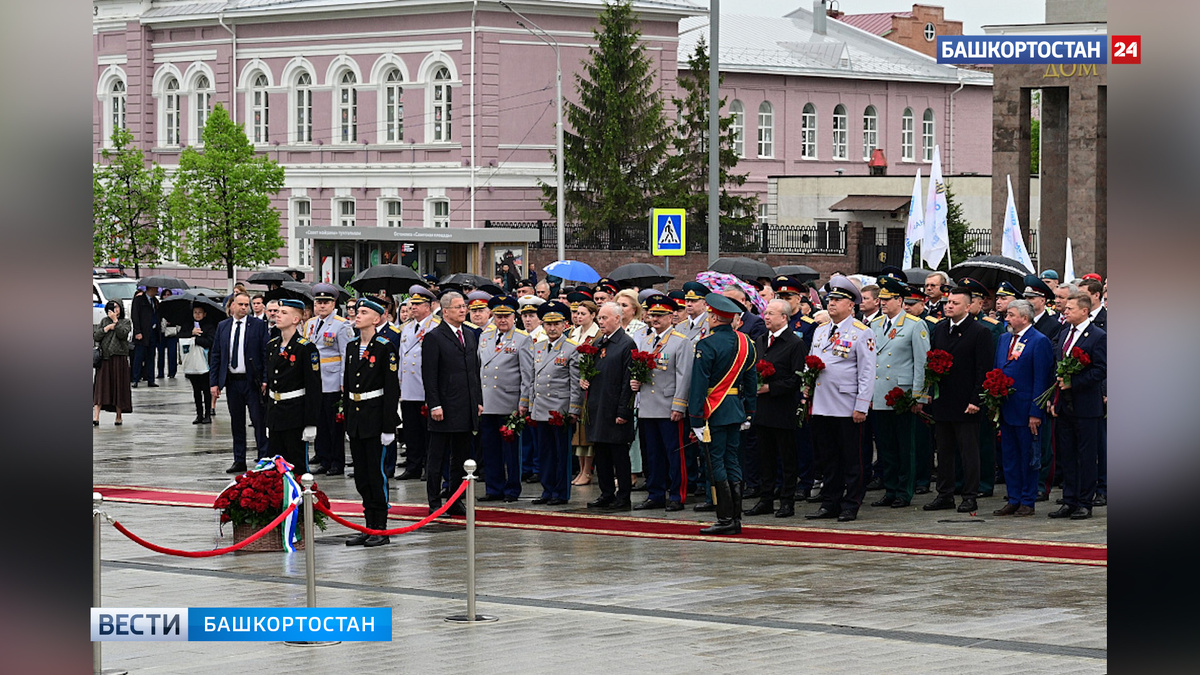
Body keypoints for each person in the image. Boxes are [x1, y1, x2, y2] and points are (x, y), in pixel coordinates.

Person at [804, 277, 876, 523]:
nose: (831, 303)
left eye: (837, 300)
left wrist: (861, 405)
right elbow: (813, 364)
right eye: (830, 299)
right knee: (828, 457)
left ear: (851, 305)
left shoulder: (861, 332)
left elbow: (867, 372)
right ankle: (830, 502)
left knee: (852, 458)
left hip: (846, 404)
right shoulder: (821, 330)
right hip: (822, 403)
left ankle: (851, 503)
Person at [688, 293, 758, 535]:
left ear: (715, 317)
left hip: (713, 410)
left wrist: (695, 417)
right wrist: (749, 411)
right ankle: (735, 518)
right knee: (732, 461)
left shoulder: (707, 344)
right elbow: (751, 380)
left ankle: (725, 518)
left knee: (715, 462)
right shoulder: (745, 343)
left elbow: (698, 384)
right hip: (736, 410)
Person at [922, 288, 993, 514]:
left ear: (967, 307)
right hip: (943, 400)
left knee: (968, 451)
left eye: (954, 303)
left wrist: (976, 400)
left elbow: (983, 369)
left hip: (966, 402)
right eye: (947, 302)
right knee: (944, 451)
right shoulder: (941, 329)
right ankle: (945, 494)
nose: (948, 306)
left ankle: (970, 495)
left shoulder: (979, 332)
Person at [867, 277, 930, 509]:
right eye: (881, 299)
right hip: (880, 392)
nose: (882, 303)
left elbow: (922, 362)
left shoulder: (914, 324)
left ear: (899, 300)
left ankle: (905, 490)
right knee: (885, 447)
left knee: (905, 446)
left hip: (902, 393)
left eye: (887, 299)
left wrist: (919, 396)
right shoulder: (875, 325)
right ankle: (890, 488)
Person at [342, 297, 400, 547]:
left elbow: (391, 389)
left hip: (376, 418)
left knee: (377, 476)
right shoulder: (352, 346)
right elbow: (347, 386)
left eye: (363, 312)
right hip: (357, 417)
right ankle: (368, 526)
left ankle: (380, 529)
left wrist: (389, 427)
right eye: (357, 311)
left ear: (377, 319)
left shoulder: (385, 347)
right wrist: (347, 420)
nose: (357, 315)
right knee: (362, 477)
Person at [629, 294, 694, 512]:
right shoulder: (646, 341)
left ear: (672, 317)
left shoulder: (680, 341)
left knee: (674, 454)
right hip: (648, 404)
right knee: (653, 455)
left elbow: (684, 376)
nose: (654, 319)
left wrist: (679, 406)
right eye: (652, 314)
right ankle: (655, 493)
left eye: (660, 315)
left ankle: (677, 495)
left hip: (668, 405)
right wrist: (636, 382)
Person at [423, 291, 484, 516]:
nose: (463, 310)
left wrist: (477, 401)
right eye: (458, 307)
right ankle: (434, 501)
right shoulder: (434, 337)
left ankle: (455, 498)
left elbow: (474, 371)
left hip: (465, 405)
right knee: (437, 456)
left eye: (463, 306)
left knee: (460, 456)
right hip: (444, 406)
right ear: (445, 311)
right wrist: (434, 404)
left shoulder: (469, 334)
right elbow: (429, 375)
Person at [1047, 292, 1107, 520]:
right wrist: (1055, 398)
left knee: (1086, 455)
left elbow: (1101, 369)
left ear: (1084, 311)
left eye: (1070, 308)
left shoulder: (1097, 336)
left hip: (1086, 405)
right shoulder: (1063, 334)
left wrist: (1075, 382)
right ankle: (1069, 499)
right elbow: (1058, 367)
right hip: (1065, 406)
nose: (1065, 311)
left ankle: (1085, 501)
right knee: (1068, 454)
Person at [745, 299, 806, 518]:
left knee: (787, 458)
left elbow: (797, 378)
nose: (766, 317)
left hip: (783, 409)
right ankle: (766, 499)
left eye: (771, 313)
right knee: (766, 457)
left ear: (784, 317)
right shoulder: (761, 340)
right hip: (763, 410)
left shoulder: (794, 343)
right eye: (765, 313)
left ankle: (787, 501)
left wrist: (771, 387)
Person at [992, 299, 1054, 517]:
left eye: (1011, 315)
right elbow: (997, 371)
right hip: (1007, 409)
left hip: (1027, 411)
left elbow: (1041, 379)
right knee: (1009, 457)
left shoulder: (1039, 341)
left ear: (1024, 318)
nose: (1006, 318)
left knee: (1028, 457)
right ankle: (1014, 497)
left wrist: (1035, 412)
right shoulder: (1003, 339)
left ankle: (1028, 499)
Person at [477, 295, 534, 503]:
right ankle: (494, 487)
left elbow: (527, 373)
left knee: (511, 450)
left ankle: (512, 489)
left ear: (514, 317)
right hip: (487, 400)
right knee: (490, 448)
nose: (502, 320)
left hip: (509, 401)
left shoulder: (522, 338)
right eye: (499, 316)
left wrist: (524, 401)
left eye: (507, 316)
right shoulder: (485, 336)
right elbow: (479, 368)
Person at [526, 301, 583, 504]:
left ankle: (560, 492)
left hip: (560, 408)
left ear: (564, 325)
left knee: (561, 453)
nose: (551, 328)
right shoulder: (538, 347)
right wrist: (530, 406)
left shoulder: (571, 348)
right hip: (541, 408)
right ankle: (547, 489)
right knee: (545, 452)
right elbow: (533, 378)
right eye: (548, 324)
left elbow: (575, 382)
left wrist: (574, 409)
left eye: (556, 324)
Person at [583, 302, 637, 510]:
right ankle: (606, 493)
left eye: (605, 318)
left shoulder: (626, 344)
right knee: (601, 453)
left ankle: (623, 496)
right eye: (600, 318)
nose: (601, 321)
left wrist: (624, 410)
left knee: (618, 455)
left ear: (618, 318)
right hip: (598, 406)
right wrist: (584, 379)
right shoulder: (599, 343)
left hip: (615, 408)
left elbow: (628, 380)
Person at [209, 292, 271, 474]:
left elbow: (265, 355)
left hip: (252, 381)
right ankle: (239, 459)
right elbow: (216, 355)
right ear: (232, 306)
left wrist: (265, 379)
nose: (244, 308)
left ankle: (264, 458)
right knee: (237, 422)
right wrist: (214, 382)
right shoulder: (223, 326)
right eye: (241, 304)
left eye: (247, 305)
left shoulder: (258, 326)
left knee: (258, 421)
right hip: (232, 381)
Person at [264, 299, 322, 473]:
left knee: (297, 467)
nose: (277, 315)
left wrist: (311, 422)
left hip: (295, 415)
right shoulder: (272, 345)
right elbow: (272, 384)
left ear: (296, 319)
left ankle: (301, 500)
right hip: (276, 413)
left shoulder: (305, 348)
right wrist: (269, 419)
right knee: (275, 467)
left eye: (283, 313)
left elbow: (313, 387)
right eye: (277, 312)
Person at [304, 284, 354, 476]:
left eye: (325, 302)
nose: (321, 306)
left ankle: (336, 461)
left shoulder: (342, 325)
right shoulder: (310, 324)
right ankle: (323, 459)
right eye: (318, 302)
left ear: (333, 304)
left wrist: (344, 381)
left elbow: (345, 354)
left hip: (333, 380)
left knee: (334, 425)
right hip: (316, 382)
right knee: (320, 424)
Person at [395, 285, 440, 481]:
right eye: (412, 304)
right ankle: (413, 465)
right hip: (408, 387)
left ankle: (429, 466)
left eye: (418, 304)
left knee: (427, 431)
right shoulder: (406, 328)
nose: (413, 307)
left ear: (428, 306)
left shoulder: (436, 327)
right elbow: (402, 356)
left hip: (424, 386)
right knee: (411, 430)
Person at [568, 294, 600, 485]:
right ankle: (580, 470)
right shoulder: (573, 333)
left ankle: (587, 471)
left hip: (589, 385)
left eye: (583, 313)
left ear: (592, 315)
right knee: (577, 431)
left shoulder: (596, 335)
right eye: (576, 313)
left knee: (586, 431)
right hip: (574, 384)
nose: (579, 317)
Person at [93, 300, 132, 426]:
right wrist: (106, 328)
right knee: (101, 386)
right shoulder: (104, 321)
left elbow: (123, 334)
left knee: (118, 386)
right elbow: (96, 336)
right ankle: (96, 416)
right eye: (112, 307)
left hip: (119, 358)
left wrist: (116, 321)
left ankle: (119, 416)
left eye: (117, 307)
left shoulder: (126, 321)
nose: (115, 309)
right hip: (104, 358)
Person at [183, 304, 217, 424]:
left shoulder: (209, 326)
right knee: (196, 390)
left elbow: (211, 341)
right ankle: (199, 414)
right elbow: (181, 338)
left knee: (206, 389)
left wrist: (197, 339)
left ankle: (207, 413)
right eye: (195, 312)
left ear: (204, 314)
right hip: (192, 363)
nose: (197, 315)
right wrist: (191, 334)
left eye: (200, 312)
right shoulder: (187, 325)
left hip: (205, 362)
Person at [130, 285, 160, 388]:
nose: (157, 290)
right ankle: (135, 379)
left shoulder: (155, 301)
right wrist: (137, 331)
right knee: (139, 357)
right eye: (155, 288)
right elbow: (135, 316)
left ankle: (150, 379)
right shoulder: (139, 300)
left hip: (153, 332)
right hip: (142, 333)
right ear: (150, 288)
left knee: (151, 357)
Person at [156, 289, 180, 380]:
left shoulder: (175, 305)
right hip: (161, 332)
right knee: (160, 354)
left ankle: (172, 372)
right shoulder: (160, 305)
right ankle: (160, 372)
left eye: (169, 294)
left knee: (172, 353)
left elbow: (178, 318)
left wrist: (171, 321)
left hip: (172, 332)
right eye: (165, 294)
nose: (167, 296)